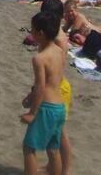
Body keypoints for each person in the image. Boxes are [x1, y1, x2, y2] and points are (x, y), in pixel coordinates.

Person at [20, 11, 65, 175]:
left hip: (46, 108)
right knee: (53, 149)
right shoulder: (60, 51)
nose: (30, 33)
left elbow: (41, 87)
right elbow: (56, 80)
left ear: (40, 33)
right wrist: (30, 96)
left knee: (29, 148)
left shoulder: (40, 58)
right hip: (59, 107)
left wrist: (32, 112)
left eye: (32, 30)